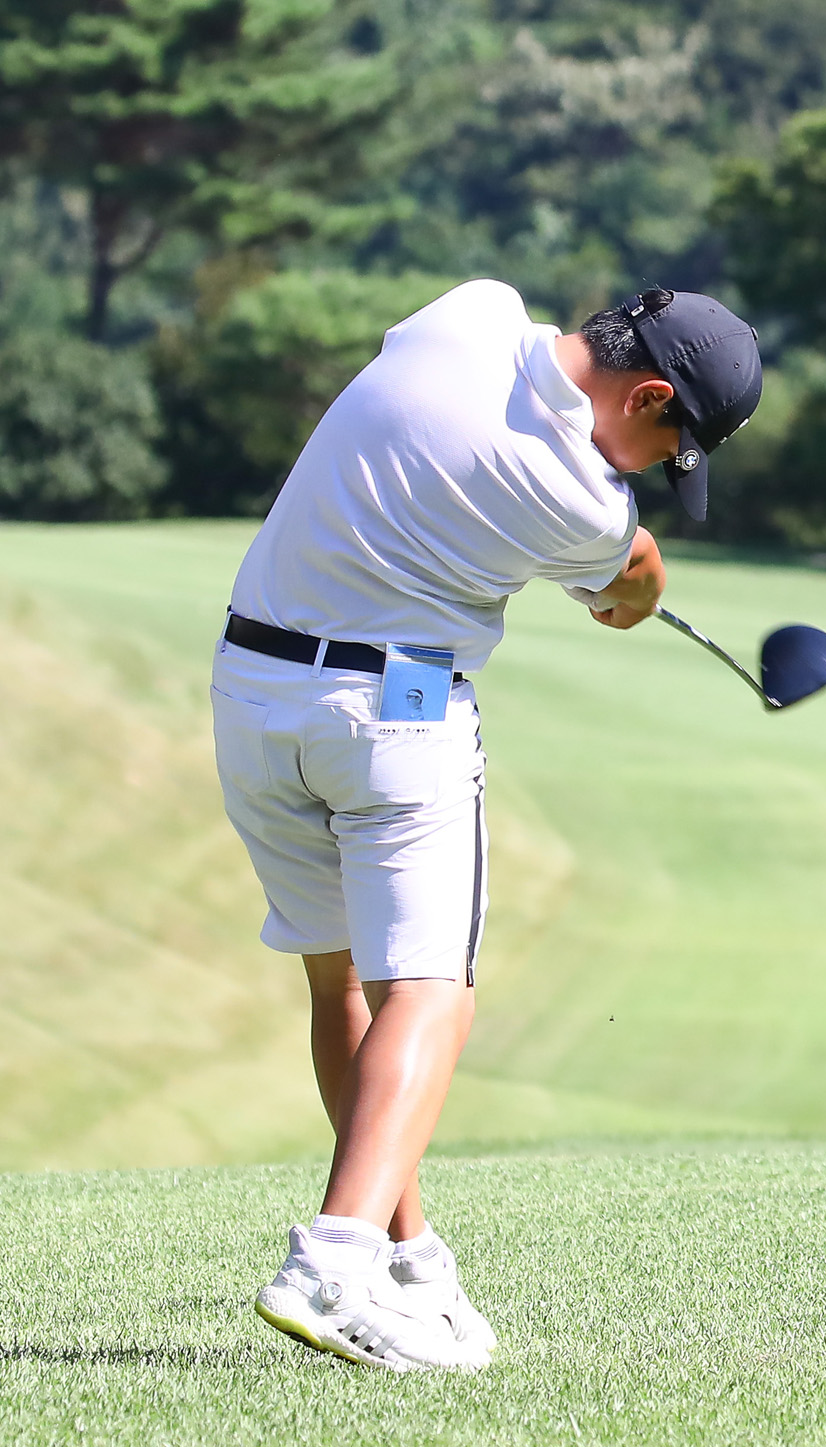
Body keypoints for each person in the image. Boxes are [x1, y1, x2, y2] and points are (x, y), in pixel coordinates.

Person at [209, 281, 761, 1371]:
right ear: (646, 394)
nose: (654, 468)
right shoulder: (585, 503)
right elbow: (628, 583)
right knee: (431, 993)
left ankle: (410, 1262)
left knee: (346, 985)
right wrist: (631, 578)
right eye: (669, 446)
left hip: (252, 691)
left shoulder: (466, 310)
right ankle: (334, 1262)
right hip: (395, 718)